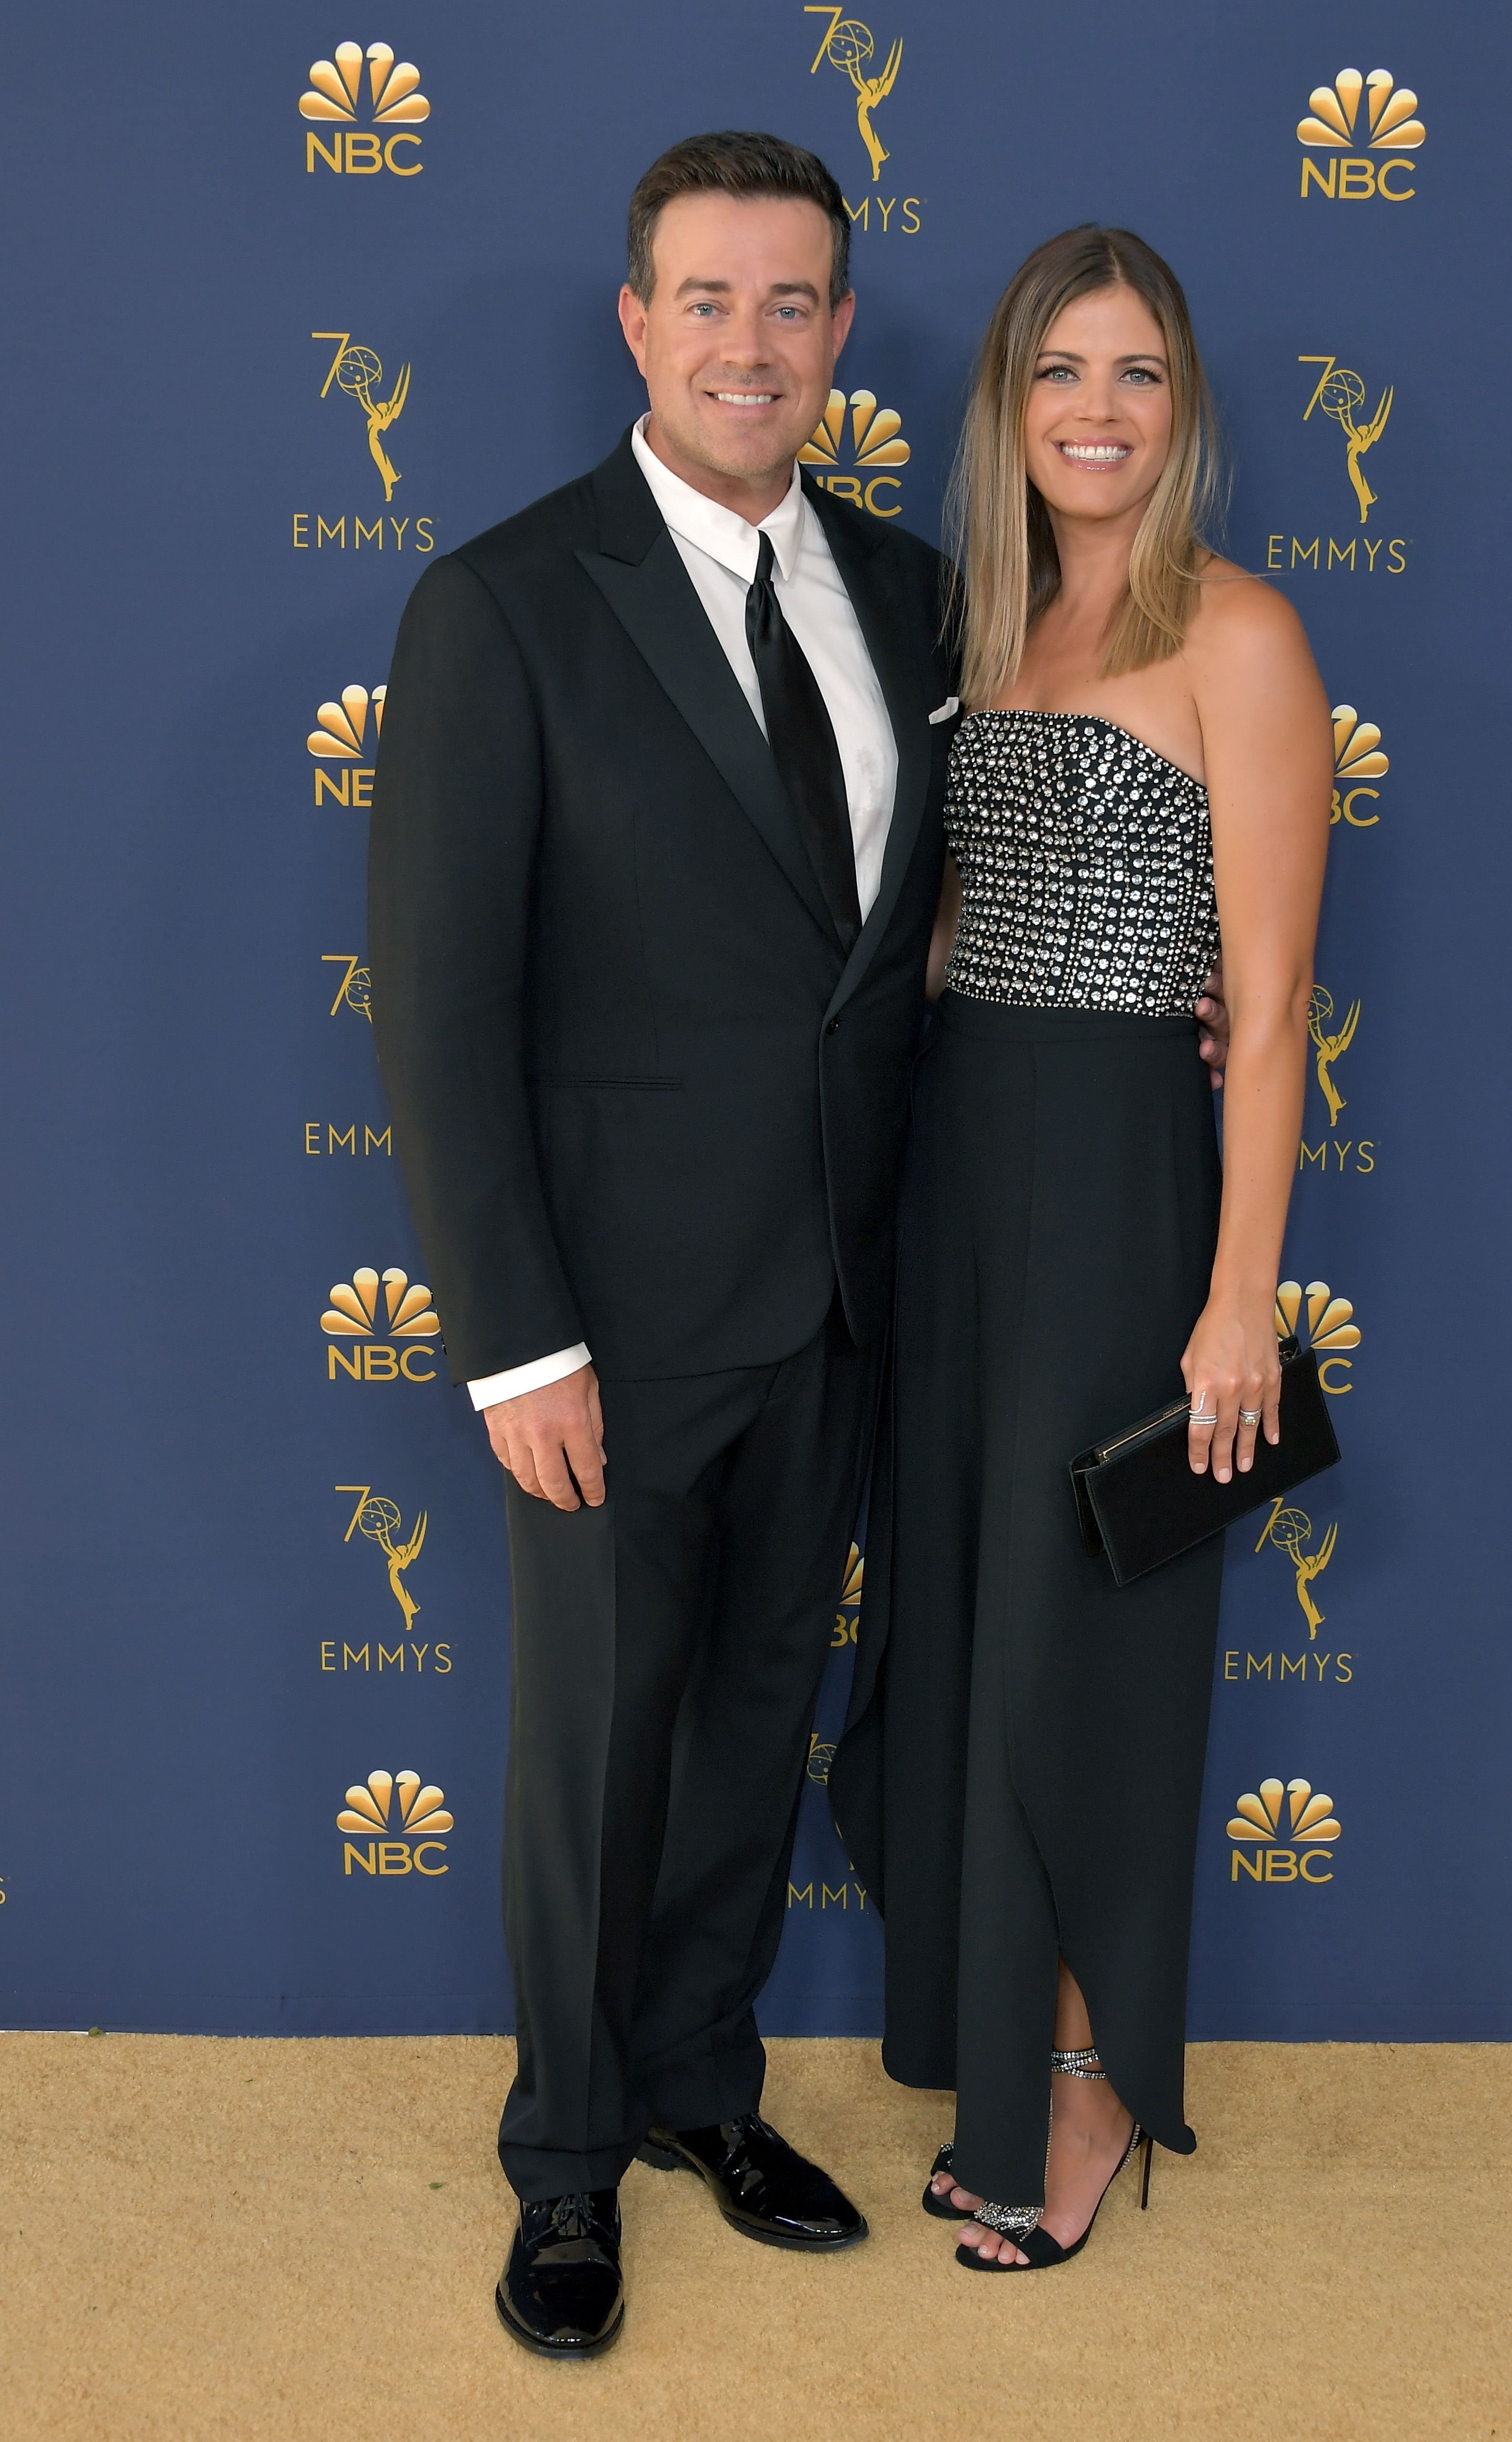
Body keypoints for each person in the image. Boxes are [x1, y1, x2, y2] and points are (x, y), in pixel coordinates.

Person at [367, 130, 966, 2359]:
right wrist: (516, 1340)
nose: (751, 339)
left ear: (839, 336)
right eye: (707, 298)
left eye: (793, 302)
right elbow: (441, 1009)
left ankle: (706, 2086)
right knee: (593, 1753)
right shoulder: (504, 602)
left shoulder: (912, 595)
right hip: (607, 1319)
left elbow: (921, 935)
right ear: (637, 322)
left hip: (840, 1298)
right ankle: (565, 2158)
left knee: (749, 1726)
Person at [831, 226, 1330, 2272]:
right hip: (962, 1151)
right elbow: (953, 916)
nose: (1096, 413)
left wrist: (1236, 1292)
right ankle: (993, 2051)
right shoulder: (993, 621)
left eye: (1135, 375)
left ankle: (1099, 2072)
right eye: (1060, 373)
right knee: (958, 1618)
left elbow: (1276, 998)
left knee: (1080, 1634)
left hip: (1130, 1169)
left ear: (1183, 405)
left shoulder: (1243, 634)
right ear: (1010, 403)